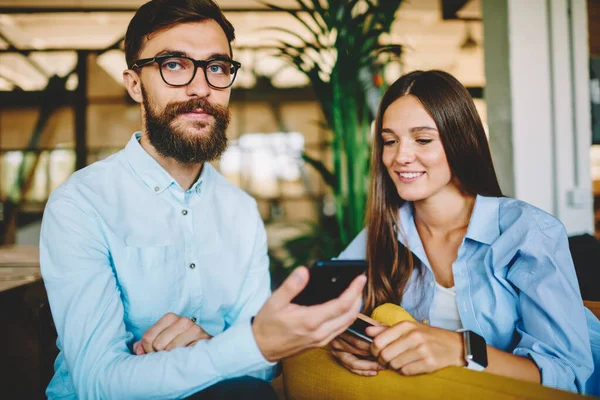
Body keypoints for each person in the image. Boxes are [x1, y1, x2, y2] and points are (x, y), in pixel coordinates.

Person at [39, 1, 365, 399]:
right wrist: (228, 352)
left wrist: (211, 348)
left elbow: (261, 366)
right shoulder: (80, 203)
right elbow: (98, 384)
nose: (201, 87)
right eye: (174, 65)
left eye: (217, 67)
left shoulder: (240, 210)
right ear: (134, 83)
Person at [330, 70, 596, 393]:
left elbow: (566, 376)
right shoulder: (384, 231)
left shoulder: (527, 232)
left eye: (423, 139)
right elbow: (323, 306)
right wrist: (341, 339)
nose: (400, 156)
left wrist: (460, 349)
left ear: (459, 141)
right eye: (389, 141)